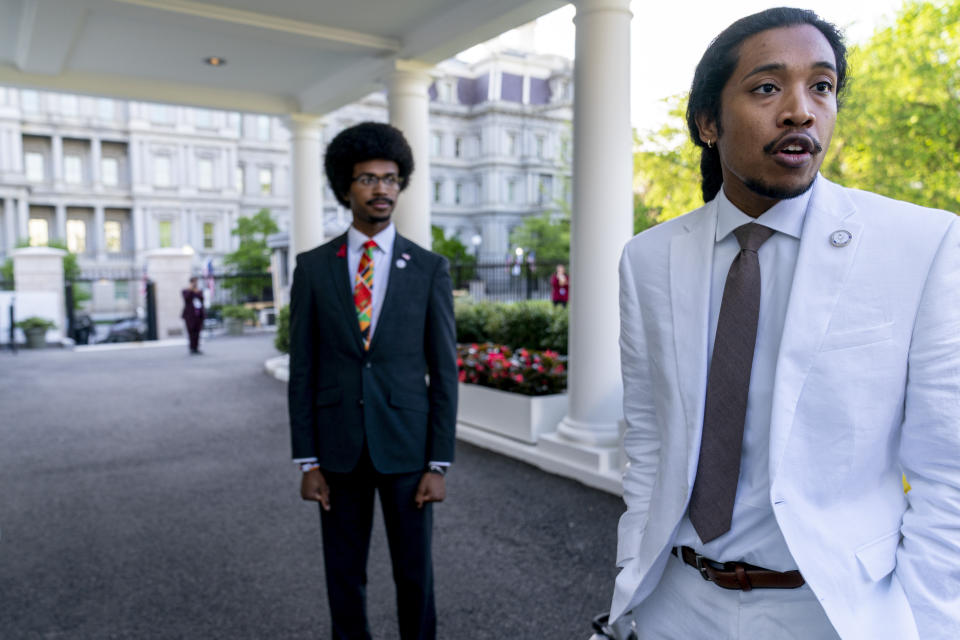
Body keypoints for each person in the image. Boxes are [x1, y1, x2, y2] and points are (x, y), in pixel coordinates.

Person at [609, 8, 959, 640]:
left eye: (821, 86)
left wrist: (929, 622)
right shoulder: (648, 259)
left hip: (831, 613)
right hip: (674, 605)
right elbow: (649, 443)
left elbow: (949, 471)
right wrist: (631, 581)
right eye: (767, 87)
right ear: (708, 122)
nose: (801, 110)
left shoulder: (921, 244)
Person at [287, 121, 457, 640]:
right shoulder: (313, 268)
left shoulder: (429, 269)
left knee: (415, 576)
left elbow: (444, 369)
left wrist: (438, 462)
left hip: (407, 451)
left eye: (390, 178)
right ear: (346, 187)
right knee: (343, 575)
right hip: (338, 453)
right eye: (368, 179)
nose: (381, 188)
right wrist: (308, 460)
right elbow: (304, 370)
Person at [181, 276, 204, 354]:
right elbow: (186, 299)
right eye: (194, 282)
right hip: (189, 316)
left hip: (198, 315)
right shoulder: (185, 291)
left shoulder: (199, 291)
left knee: (197, 332)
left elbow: (201, 299)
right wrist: (191, 290)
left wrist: (196, 291)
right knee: (191, 331)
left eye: (196, 282)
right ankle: (192, 348)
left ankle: (196, 347)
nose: (195, 284)